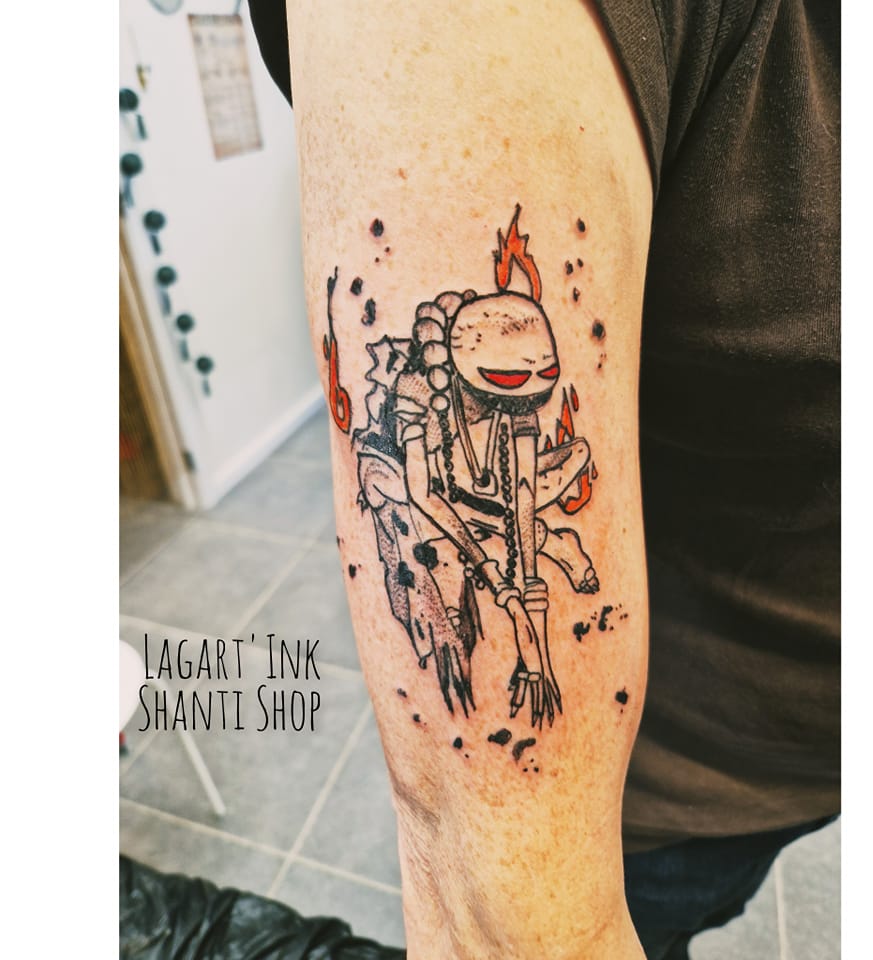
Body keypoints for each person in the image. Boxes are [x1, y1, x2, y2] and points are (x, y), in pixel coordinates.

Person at [248, 2, 840, 958]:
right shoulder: (424, 403)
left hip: (794, 758)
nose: (520, 410)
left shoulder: (519, 409)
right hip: (664, 805)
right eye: (501, 392)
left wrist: (535, 584)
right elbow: (505, 920)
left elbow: (529, 494)